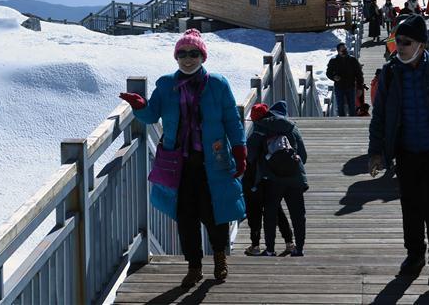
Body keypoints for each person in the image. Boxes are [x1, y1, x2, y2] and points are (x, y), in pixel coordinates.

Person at [119, 29, 246, 289]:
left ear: (203, 56)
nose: (188, 59)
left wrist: (240, 149)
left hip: (214, 160)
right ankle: (194, 266)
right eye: (182, 54)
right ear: (176, 57)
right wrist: (140, 106)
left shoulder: (218, 84)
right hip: (179, 164)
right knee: (186, 216)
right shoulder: (166, 84)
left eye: (194, 53)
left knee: (216, 213)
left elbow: (232, 119)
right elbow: (153, 115)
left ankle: (220, 257)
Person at [368, 15, 429, 287]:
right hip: (405, 152)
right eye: (396, 41)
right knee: (410, 207)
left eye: (405, 42)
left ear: (421, 45)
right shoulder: (390, 73)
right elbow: (380, 116)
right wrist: (376, 151)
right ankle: (415, 256)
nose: (399, 46)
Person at [247, 100, 308, 257]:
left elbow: (251, 155)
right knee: (298, 214)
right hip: (295, 177)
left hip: (272, 178)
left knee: (270, 213)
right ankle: (299, 248)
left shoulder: (261, 128)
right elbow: (304, 155)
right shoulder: (292, 127)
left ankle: (270, 249)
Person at [327, 42, 364, 117]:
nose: (345, 51)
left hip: (351, 86)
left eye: (345, 49)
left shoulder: (353, 60)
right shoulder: (333, 61)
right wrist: (334, 77)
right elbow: (328, 73)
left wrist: (360, 87)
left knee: (352, 106)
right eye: (342, 50)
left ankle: (353, 123)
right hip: (339, 87)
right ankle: (342, 122)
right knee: (340, 106)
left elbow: (359, 74)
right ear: (338, 51)